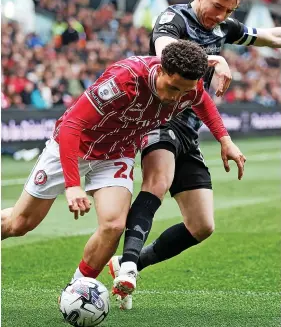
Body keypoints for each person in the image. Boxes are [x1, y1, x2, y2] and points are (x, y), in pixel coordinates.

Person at [110, 0, 281, 308]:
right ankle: (128, 263)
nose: (221, 16)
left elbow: (270, 37)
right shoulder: (172, 20)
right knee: (158, 181)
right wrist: (216, 62)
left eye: (229, 11)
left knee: (202, 225)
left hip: (191, 127)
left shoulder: (223, 27)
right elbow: (166, 57)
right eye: (217, 6)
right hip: (160, 113)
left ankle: (130, 263)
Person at [2, 40, 242, 285]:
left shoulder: (188, 85)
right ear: (160, 69)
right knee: (20, 224)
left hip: (118, 152)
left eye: (183, 91)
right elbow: (72, 125)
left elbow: (201, 101)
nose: (176, 97)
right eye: (172, 88)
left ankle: (77, 290)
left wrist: (225, 139)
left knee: (114, 225)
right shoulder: (124, 79)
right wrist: (73, 185)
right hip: (75, 147)